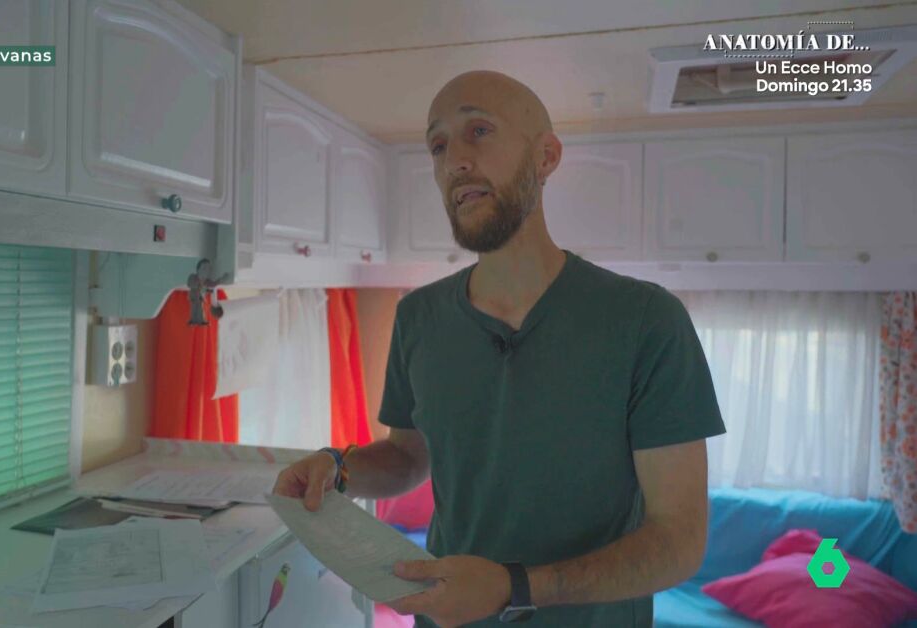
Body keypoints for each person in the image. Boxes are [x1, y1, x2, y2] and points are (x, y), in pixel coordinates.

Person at [271, 70, 726, 627]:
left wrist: (513, 588)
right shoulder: (419, 318)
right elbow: (407, 458)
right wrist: (338, 468)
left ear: (546, 156)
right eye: (438, 146)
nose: (454, 162)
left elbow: (678, 540)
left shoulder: (646, 320)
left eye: (479, 131)